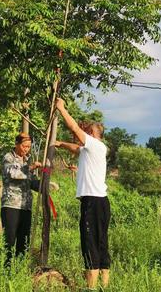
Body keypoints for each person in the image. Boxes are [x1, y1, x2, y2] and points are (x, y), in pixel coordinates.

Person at [55, 98, 111, 289]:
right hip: (101, 202)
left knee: (90, 244)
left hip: (93, 203)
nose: (86, 132)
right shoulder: (93, 149)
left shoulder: (95, 144)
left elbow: (74, 130)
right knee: (101, 243)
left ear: (97, 135)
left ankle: (91, 288)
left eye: (90, 131)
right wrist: (61, 144)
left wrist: (61, 108)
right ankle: (104, 286)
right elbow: (76, 148)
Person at [0, 132, 41, 265]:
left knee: (24, 241)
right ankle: (7, 269)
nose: (26, 149)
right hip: (11, 205)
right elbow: (13, 173)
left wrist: (44, 185)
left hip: (25, 206)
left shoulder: (27, 160)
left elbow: (32, 182)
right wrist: (29, 168)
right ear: (17, 144)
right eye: (24, 146)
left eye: (29, 147)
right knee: (10, 239)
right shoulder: (8, 158)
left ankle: (19, 269)